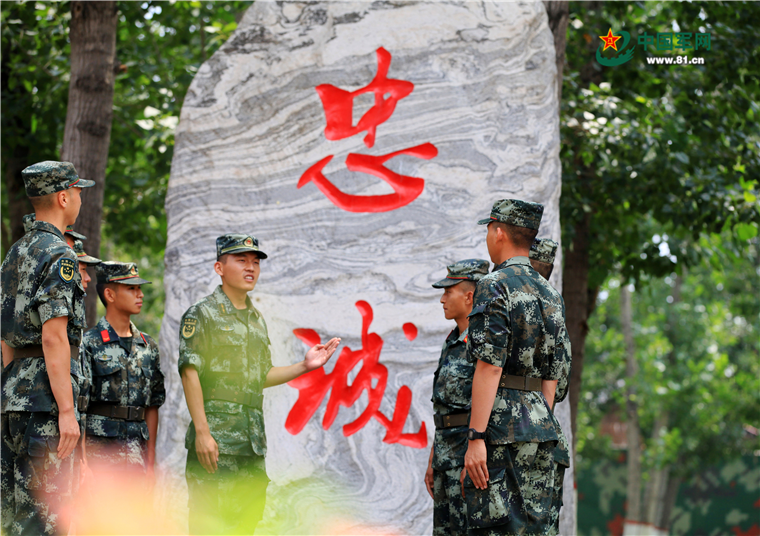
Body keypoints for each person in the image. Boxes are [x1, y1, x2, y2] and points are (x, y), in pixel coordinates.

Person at [178, 234, 341, 534]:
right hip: (216, 443)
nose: (250, 267)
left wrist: (304, 366)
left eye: (255, 262)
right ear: (219, 268)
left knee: (246, 527)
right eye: (241, 260)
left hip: (251, 446)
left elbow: (261, 376)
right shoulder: (202, 314)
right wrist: (202, 432)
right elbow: (190, 373)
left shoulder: (256, 320)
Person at [461, 199, 572, 536]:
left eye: (488, 231)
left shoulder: (494, 284)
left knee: (495, 527)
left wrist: (476, 438)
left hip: (500, 429)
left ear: (498, 232)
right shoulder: (550, 293)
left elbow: (490, 367)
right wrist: (538, 421)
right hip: (542, 429)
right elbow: (552, 377)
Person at [1, 161, 94, 535]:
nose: (81, 198)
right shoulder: (60, 254)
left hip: (13, 399)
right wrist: (67, 411)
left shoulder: (14, 253)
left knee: (16, 518)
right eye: (78, 190)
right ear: (63, 197)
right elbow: (54, 336)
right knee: (48, 519)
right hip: (46, 403)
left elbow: (6, 339)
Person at [79, 261, 165, 485]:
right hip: (101, 460)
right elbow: (81, 408)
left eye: (140, 288)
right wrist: (83, 462)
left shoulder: (148, 346)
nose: (140, 294)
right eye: (131, 288)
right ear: (110, 294)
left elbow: (153, 406)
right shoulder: (88, 344)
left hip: (137, 458)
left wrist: (150, 464)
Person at [424, 259, 490, 536]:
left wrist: (472, 456)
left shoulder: (484, 340)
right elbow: (444, 407)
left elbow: (488, 405)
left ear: (469, 296)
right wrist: (433, 459)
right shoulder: (452, 340)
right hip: (444, 457)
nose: (442, 299)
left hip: (468, 457)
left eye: (448, 292)